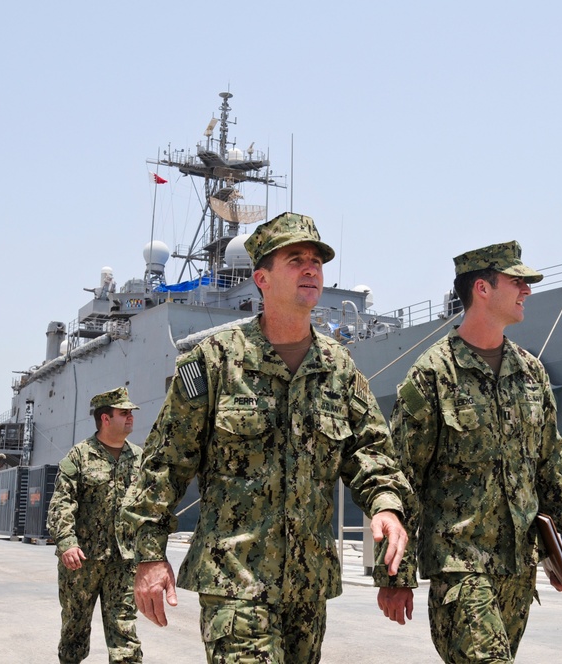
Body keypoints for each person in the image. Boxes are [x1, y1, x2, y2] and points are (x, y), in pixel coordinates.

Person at [119, 212, 412, 663]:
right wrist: (148, 557)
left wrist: (386, 505)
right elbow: (164, 464)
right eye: (295, 259)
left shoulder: (338, 368)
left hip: (308, 590)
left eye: (316, 260)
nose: (311, 268)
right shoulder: (215, 362)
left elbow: (371, 451)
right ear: (262, 278)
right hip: (234, 583)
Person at [375, 241, 562, 663]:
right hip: (460, 570)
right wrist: (393, 574)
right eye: (517, 281)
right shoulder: (432, 374)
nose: (526, 290)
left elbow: (550, 467)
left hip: (518, 572)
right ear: (482, 289)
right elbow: (400, 478)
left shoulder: (531, 373)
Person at [47, 387, 144, 663]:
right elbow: (61, 503)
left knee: (125, 631)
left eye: (130, 413)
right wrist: (67, 543)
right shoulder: (80, 456)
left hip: (123, 562)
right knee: (74, 630)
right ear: (105, 419)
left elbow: (148, 507)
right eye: (123, 413)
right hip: (82, 563)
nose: (130, 418)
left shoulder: (139, 458)